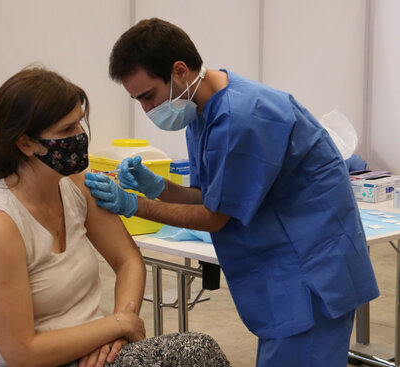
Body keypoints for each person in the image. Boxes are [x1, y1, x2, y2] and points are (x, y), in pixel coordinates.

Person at [85, 18, 380, 367]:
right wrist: (160, 187)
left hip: (311, 275)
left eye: (148, 96)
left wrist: (134, 205)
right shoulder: (200, 111)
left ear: (179, 71)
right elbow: (212, 196)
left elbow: (214, 217)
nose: (147, 110)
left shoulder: (244, 117)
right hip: (284, 275)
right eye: (137, 100)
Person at [0, 66, 231, 367]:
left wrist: (119, 326)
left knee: (199, 349)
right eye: (65, 130)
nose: (79, 137)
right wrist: (115, 326)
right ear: (25, 144)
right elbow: (22, 353)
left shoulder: (76, 185)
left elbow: (128, 261)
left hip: (92, 353)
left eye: (79, 124)